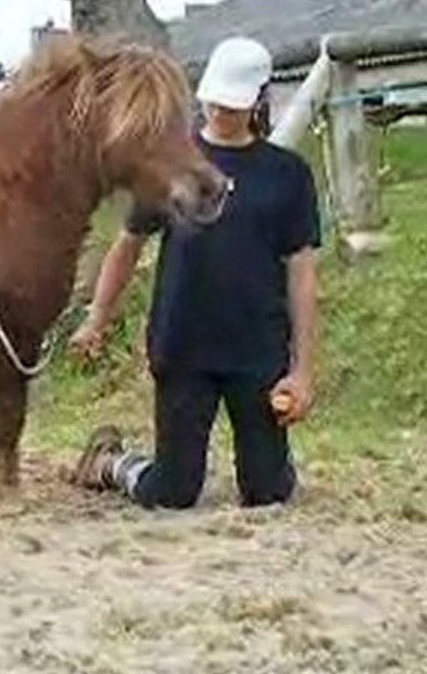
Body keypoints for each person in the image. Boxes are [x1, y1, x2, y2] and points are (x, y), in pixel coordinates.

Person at [70, 36, 321, 509]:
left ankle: (273, 462)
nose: (220, 112)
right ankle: (111, 464)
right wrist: (96, 319)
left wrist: (303, 370)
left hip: (257, 350)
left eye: (232, 105)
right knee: (172, 493)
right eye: (214, 101)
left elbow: (302, 273)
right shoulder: (171, 163)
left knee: (267, 493)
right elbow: (127, 245)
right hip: (183, 345)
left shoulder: (287, 175)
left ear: (258, 100)